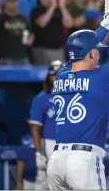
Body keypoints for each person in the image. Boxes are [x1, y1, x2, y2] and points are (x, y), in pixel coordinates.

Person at [46, 0, 109, 189]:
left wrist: (106, 25)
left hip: (57, 160)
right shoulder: (102, 76)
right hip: (83, 160)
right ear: (92, 53)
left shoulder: (61, 74)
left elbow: (80, 52)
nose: (99, 53)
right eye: (97, 50)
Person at [29, 60, 64, 189]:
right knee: (43, 180)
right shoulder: (41, 98)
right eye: (53, 75)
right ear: (48, 77)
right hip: (49, 142)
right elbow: (35, 128)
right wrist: (39, 154)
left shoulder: (74, 95)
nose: (56, 78)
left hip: (70, 142)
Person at [16, 120, 37, 190]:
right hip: (28, 180)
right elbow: (20, 161)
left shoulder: (47, 138)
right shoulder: (25, 138)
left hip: (44, 180)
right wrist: (19, 181)